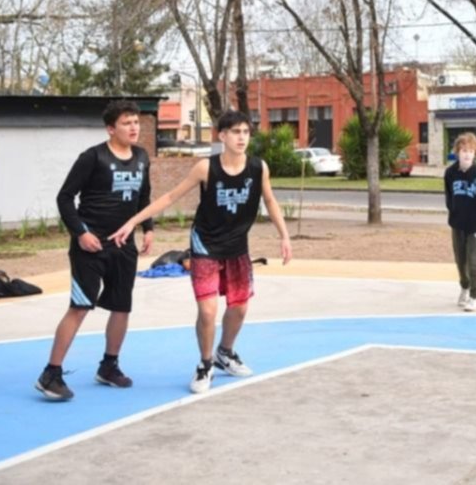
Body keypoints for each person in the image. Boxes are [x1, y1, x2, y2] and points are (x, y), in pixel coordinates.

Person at [112, 109, 292, 394]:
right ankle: (205, 364)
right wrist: (134, 221)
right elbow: (170, 197)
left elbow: (270, 201)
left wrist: (284, 236)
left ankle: (225, 352)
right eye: (235, 132)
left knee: (240, 308)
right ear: (222, 136)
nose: (241, 137)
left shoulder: (259, 167)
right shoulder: (206, 168)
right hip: (205, 245)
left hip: (237, 247)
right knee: (208, 312)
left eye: (245, 132)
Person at [35, 100, 154, 401]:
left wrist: (148, 228)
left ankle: (109, 366)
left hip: (123, 246)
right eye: (127, 123)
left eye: (136, 122)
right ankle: (51, 373)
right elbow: (64, 198)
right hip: (91, 247)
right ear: (111, 128)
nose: (134, 127)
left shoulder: (141, 157)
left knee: (121, 307)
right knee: (80, 307)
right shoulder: (92, 157)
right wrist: (81, 233)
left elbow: (145, 197)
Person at [443, 132, 476, 311]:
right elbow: (449, 196)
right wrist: (455, 212)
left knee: (473, 260)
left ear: (475, 153)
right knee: (460, 260)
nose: (467, 154)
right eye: (464, 150)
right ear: (457, 152)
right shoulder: (450, 173)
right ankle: (464, 286)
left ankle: (475, 295)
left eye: (470, 150)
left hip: (475, 224)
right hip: (457, 223)